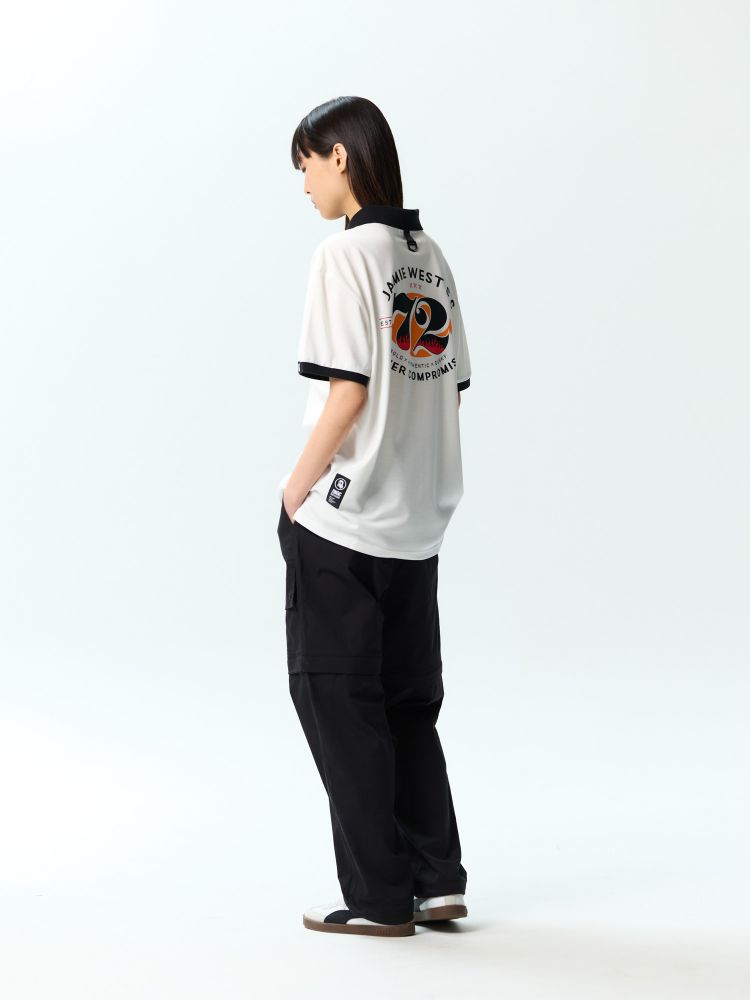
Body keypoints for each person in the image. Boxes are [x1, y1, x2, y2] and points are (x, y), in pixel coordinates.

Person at [276, 96, 471, 937]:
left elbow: (348, 391)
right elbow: (447, 391)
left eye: (306, 166)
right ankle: (438, 880)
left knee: (337, 702)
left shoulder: (343, 254)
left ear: (340, 157)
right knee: (406, 705)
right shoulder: (432, 259)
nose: (305, 187)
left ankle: (379, 898)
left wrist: (295, 490)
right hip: (418, 524)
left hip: (346, 524)